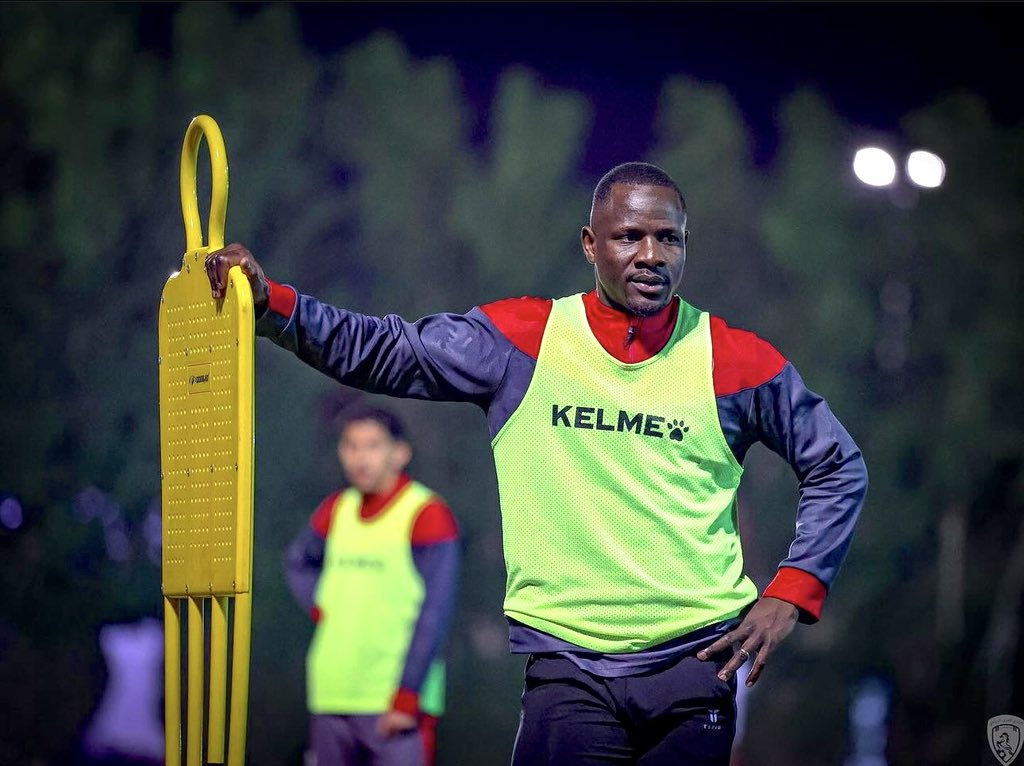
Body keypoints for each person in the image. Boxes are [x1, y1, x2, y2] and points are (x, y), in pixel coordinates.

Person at [207, 161, 868, 765]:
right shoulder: (523, 340)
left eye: (669, 239)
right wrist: (272, 305)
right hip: (567, 673)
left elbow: (837, 466)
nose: (650, 254)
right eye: (629, 236)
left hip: (697, 668)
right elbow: (385, 349)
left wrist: (793, 590)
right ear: (590, 244)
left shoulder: (735, 358)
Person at [284, 404, 460, 766]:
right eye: (351, 446)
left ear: (400, 453)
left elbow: (435, 613)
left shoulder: (426, 513)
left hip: (396, 704)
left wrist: (407, 696)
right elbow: (297, 562)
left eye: (373, 446)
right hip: (331, 695)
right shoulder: (337, 508)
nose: (360, 458)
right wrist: (324, 605)